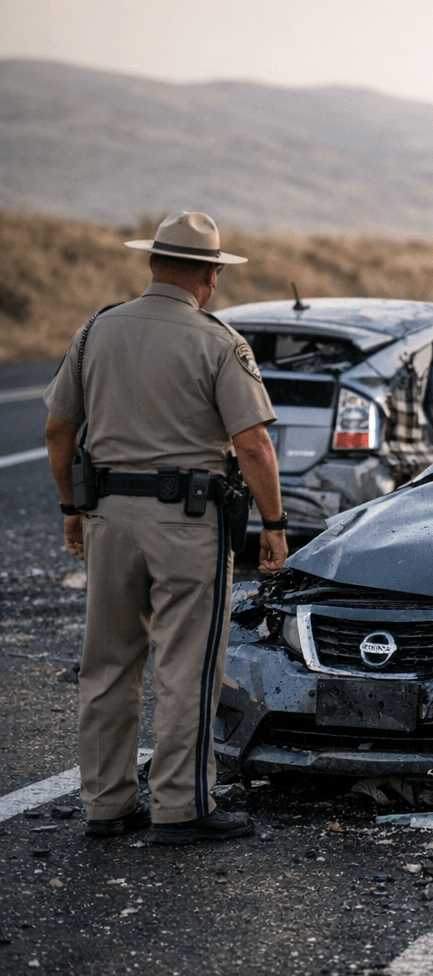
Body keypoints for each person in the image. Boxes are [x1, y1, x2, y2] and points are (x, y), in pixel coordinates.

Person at [43, 211, 288, 843]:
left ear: (154, 264)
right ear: (209, 275)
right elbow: (254, 444)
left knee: (107, 664)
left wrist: (72, 508)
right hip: (185, 521)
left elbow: (58, 430)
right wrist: (275, 524)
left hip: (107, 517)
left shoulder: (95, 330)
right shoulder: (216, 340)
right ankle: (183, 806)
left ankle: (106, 803)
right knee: (187, 663)